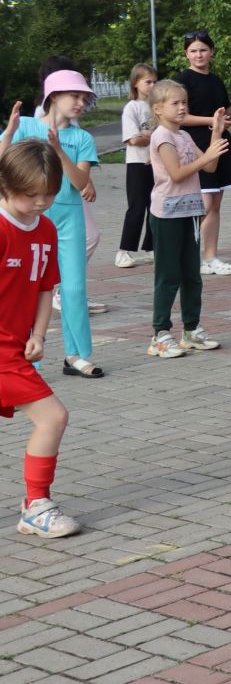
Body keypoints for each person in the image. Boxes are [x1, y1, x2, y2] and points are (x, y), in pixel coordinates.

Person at [1, 139, 79, 538]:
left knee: (52, 417)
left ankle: (34, 504)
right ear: (6, 185)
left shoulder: (46, 229)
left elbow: (46, 288)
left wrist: (38, 334)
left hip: (14, 346)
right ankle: (36, 504)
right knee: (54, 416)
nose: (41, 203)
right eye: (30, 195)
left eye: (49, 194)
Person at [9, 71, 105, 378]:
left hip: (68, 217)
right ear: (53, 96)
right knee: (28, 288)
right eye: (74, 96)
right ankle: (28, 358)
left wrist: (59, 150)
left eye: (84, 98)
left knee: (74, 288)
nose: (80, 103)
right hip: (27, 219)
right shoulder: (25, 126)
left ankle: (76, 355)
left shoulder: (82, 138)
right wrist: (9, 133)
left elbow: (80, 182)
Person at [145, 79, 226, 360]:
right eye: (175, 103)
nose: (182, 108)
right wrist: (206, 159)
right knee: (168, 275)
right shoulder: (162, 137)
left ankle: (191, 329)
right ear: (158, 109)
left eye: (184, 103)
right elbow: (177, 173)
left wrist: (216, 133)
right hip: (167, 213)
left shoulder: (184, 136)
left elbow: (211, 165)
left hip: (190, 211)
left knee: (192, 275)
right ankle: (160, 333)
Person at [175, 32, 231, 276]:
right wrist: (214, 121)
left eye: (203, 49)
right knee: (202, 203)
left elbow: (225, 114)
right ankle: (189, 256)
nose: (198, 54)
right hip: (196, 146)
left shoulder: (215, 80)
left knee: (215, 202)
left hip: (219, 143)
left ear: (211, 52)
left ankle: (210, 256)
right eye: (193, 50)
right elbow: (180, 116)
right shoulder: (182, 80)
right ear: (186, 54)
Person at [115, 64, 158, 269]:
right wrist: (151, 135)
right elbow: (133, 139)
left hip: (156, 163)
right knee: (137, 207)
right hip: (137, 163)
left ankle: (151, 247)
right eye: (147, 82)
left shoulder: (156, 107)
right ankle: (124, 251)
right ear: (136, 83)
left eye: (154, 82)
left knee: (155, 206)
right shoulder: (132, 107)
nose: (152, 85)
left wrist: (149, 136)